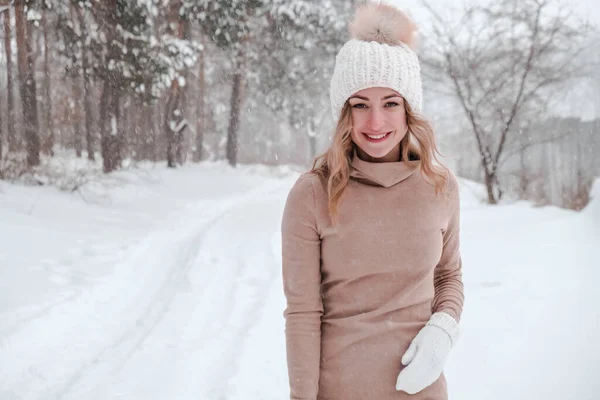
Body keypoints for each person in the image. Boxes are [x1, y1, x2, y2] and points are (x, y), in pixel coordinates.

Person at [281, 2, 465, 400]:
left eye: (390, 104)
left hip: (422, 391)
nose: (375, 123)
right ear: (343, 113)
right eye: (360, 105)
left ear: (409, 110)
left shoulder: (440, 187)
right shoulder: (312, 193)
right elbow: (302, 312)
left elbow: (448, 277)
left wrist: (443, 327)